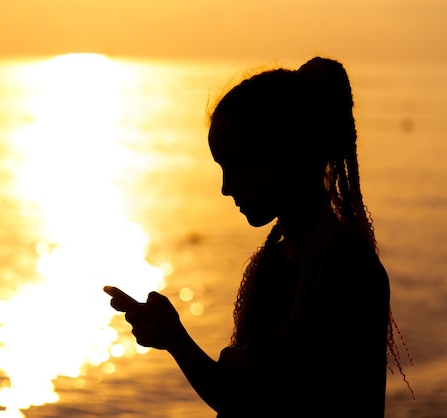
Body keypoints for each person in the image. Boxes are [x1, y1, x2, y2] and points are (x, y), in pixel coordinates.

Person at [105, 56, 409, 417]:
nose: (225, 187)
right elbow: (238, 398)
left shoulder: (349, 271)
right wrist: (175, 338)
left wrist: (237, 375)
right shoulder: (273, 264)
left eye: (238, 165)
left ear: (293, 158)